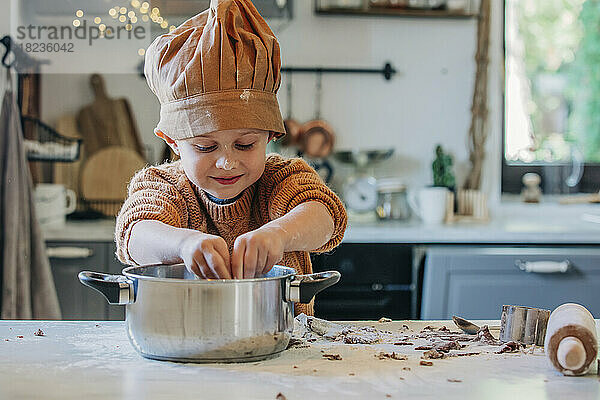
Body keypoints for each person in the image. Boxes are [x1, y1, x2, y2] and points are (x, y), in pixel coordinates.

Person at [114, 0, 347, 315]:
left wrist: (278, 233)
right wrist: (183, 244)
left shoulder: (280, 179)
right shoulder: (163, 185)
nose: (226, 162)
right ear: (173, 142)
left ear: (270, 136)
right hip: (184, 352)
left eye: (246, 144)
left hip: (285, 348)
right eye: (206, 147)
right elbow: (135, 233)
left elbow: (326, 218)